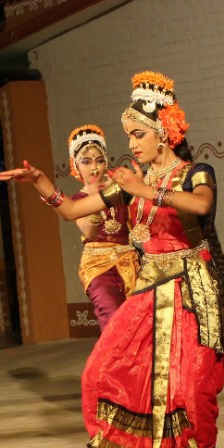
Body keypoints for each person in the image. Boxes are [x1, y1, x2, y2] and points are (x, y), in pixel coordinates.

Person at [0, 72, 224, 448]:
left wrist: (147, 191)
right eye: (129, 135)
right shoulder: (129, 182)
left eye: (138, 134)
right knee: (101, 371)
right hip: (147, 287)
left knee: (191, 384)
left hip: (190, 290)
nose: (133, 143)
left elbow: (201, 204)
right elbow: (70, 210)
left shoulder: (195, 172)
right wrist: (42, 183)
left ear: (163, 133)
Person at [65, 125, 138, 331]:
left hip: (130, 263)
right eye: (86, 162)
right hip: (98, 267)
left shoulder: (119, 189)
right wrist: (96, 202)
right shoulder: (78, 200)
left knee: (139, 325)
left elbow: (139, 220)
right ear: (76, 167)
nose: (94, 168)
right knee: (114, 321)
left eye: (99, 161)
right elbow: (88, 231)